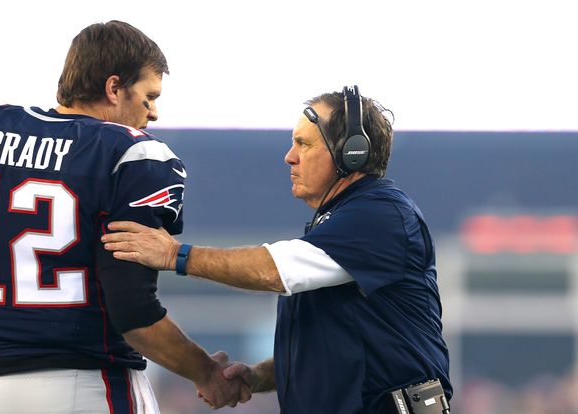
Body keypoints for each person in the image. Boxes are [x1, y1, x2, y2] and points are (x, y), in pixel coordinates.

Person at [0, 20, 248, 414]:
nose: (153, 112)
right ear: (114, 87)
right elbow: (133, 314)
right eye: (149, 96)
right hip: (91, 385)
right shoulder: (131, 155)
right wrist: (205, 372)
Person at [102, 86, 453, 413]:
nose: (289, 157)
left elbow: (271, 270)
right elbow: (329, 344)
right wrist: (258, 376)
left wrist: (174, 255)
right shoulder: (339, 223)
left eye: (304, 144)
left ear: (352, 153)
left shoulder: (379, 214)